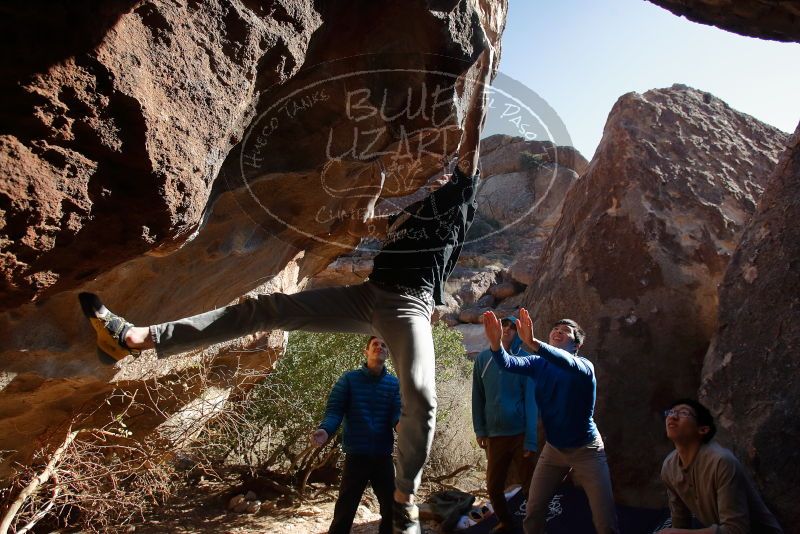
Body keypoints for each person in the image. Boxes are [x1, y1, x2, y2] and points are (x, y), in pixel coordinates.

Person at [79, 43, 494, 534]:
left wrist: (481, 70)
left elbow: (472, 135)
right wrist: (367, 209)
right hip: (368, 297)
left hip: (409, 306)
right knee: (265, 309)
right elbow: (368, 229)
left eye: (448, 169)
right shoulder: (410, 211)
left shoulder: (461, 198)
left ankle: (402, 498)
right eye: (440, 169)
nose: (442, 170)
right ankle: (135, 338)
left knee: (421, 398)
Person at [482, 308, 619, 534]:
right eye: (555, 329)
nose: (558, 332)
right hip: (554, 450)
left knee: (605, 521)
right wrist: (496, 344)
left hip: (587, 449)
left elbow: (566, 363)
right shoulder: (538, 363)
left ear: (576, 345)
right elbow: (507, 364)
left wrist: (533, 342)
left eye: (565, 331)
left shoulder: (584, 367)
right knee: (533, 512)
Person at [310, 336, 401, 534]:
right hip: (356, 456)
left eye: (384, 345)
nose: (379, 347)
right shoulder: (349, 380)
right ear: (366, 351)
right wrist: (325, 431)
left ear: (388, 353)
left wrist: (404, 427)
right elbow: (335, 411)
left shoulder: (394, 384)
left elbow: (397, 414)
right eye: (375, 344)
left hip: (382, 456)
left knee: (392, 509)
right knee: (345, 510)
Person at [658, 399, 783, 534]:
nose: (672, 416)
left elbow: (736, 530)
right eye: (670, 412)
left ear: (703, 429)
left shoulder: (721, 462)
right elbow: (680, 523)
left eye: (683, 413)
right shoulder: (669, 467)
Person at [472, 315, 537, 533]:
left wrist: (531, 439)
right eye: (503, 326)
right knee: (493, 485)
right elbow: (477, 397)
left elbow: (531, 401)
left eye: (511, 327)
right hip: (494, 434)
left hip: (520, 434)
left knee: (530, 484)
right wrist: (480, 429)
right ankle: (506, 522)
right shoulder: (483, 359)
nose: (507, 330)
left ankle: (534, 525)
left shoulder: (525, 359)